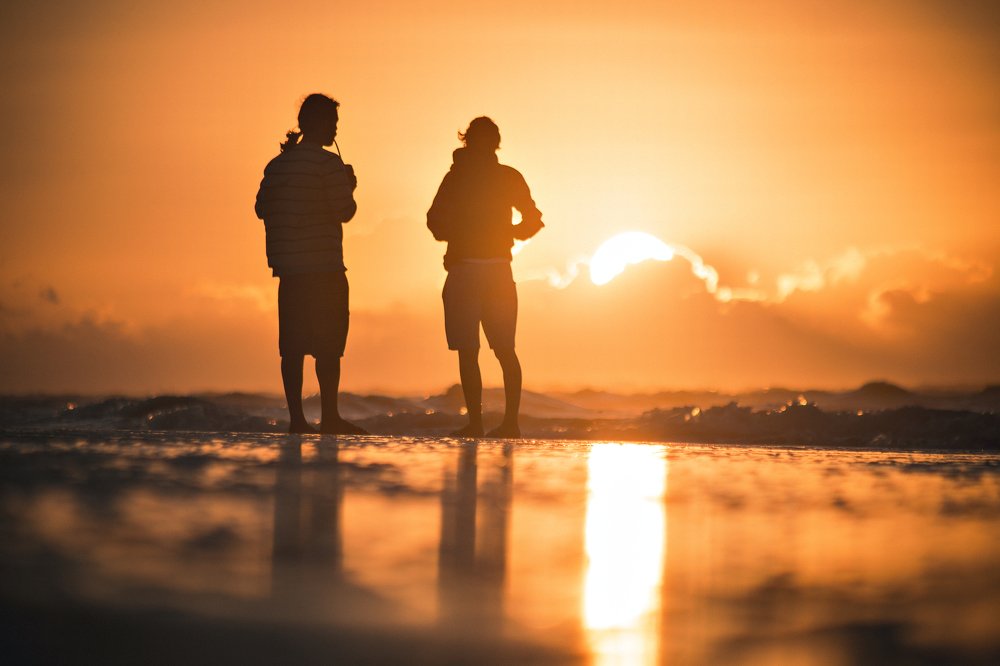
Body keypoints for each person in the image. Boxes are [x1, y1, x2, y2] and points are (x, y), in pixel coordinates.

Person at [255, 93, 366, 435]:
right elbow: (345, 211)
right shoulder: (329, 165)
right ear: (318, 123)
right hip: (325, 268)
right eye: (333, 122)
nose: (336, 129)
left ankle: (297, 421)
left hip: (290, 271)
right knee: (328, 347)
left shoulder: (277, 165)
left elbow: (261, 208)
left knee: (292, 348)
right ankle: (330, 417)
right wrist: (349, 185)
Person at [427, 117, 544, 438]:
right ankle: (487, 423)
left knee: (492, 351)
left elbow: (533, 220)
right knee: (486, 350)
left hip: (482, 270)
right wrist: (501, 232)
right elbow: (434, 221)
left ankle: (502, 424)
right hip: (480, 270)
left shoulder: (472, 177)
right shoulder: (471, 177)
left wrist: (504, 233)